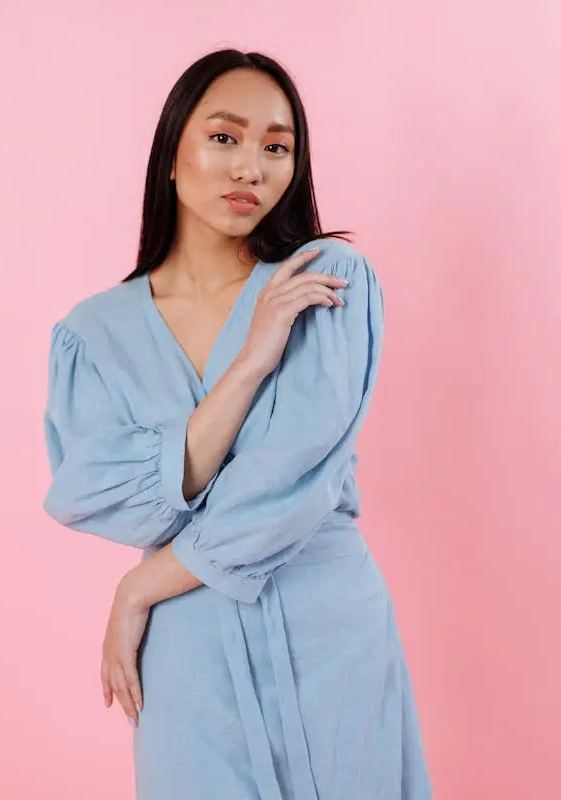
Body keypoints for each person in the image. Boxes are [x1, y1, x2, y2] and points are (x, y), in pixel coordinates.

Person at [42, 49, 432, 799]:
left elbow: (294, 480)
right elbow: (94, 494)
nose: (251, 166)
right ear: (172, 154)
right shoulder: (92, 335)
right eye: (225, 137)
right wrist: (251, 363)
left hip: (331, 633)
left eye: (276, 147)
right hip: (190, 653)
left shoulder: (325, 282)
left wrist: (142, 586)